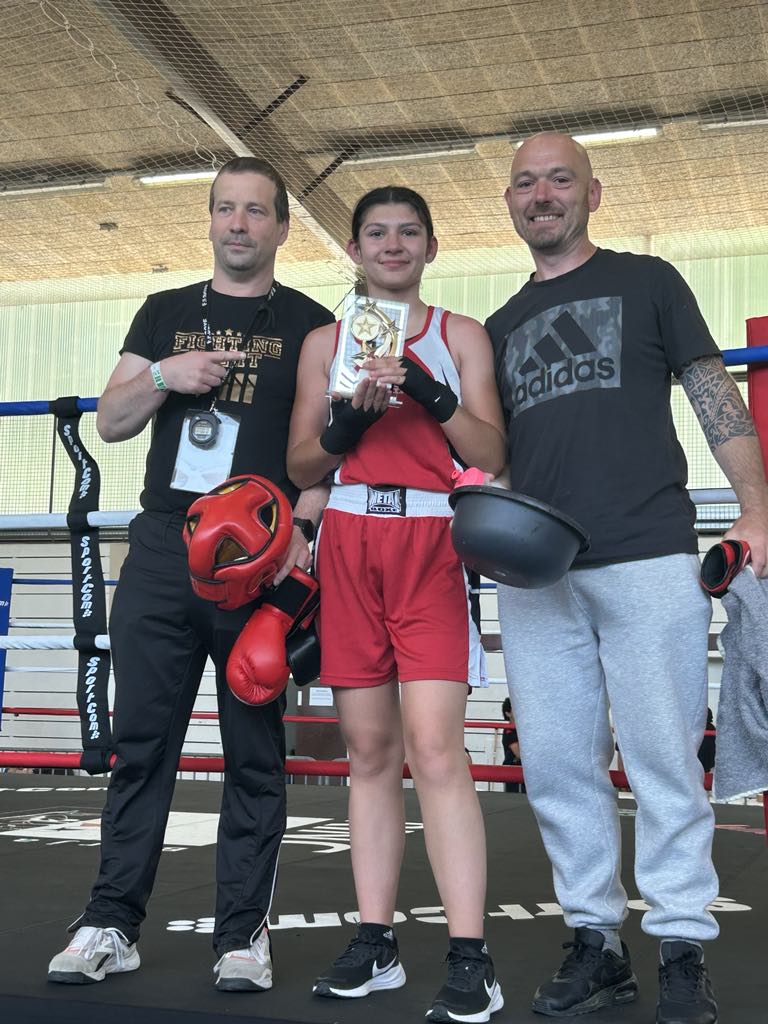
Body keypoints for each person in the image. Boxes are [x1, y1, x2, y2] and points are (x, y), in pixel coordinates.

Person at [486, 132, 768, 1023]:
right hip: (537, 575)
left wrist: (757, 508)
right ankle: (596, 945)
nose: (542, 195)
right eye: (526, 183)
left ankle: (681, 946)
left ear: (593, 194)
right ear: (510, 203)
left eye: (559, 179)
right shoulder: (497, 328)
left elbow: (714, 393)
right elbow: (491, 457)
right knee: (558, 767)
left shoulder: (649, 282)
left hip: (647, 553)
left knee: (663, 762)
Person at [47, 157, 334, 992]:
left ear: (282, 228)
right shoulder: (165, 311)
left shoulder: (311, 323)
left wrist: (302, 535)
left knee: (254, 752)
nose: (238, 224)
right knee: (142, 743)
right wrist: (163, 376)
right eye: (225, 209)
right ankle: (111, 922)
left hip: (260, 562)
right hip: (166, 550)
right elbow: (110, 421)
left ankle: (242, 936)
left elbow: (326, 450)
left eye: (256, 211)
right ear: (209, 220)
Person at [287, 186, 507, 1023]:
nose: (392, 244)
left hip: (429, 542)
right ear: (353, 250)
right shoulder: (326, 342)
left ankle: (471, 957)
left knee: (437, 749)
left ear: (430, 246)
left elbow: (492, 450)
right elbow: (302, 465)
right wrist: (347, 425)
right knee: (370, 750)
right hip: (349, 540)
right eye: (376, 233)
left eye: (408, 231)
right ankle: (375, 942)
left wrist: (429, 390)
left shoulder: (460, 335)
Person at [500, 697, 525, 794]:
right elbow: (518, 753)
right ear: (508, 713)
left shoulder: (523, 729)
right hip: (512, 770)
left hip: (524, 771)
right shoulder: (509, 731)